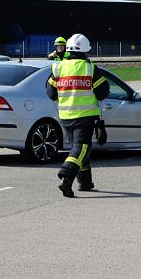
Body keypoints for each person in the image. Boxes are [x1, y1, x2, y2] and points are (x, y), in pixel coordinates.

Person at [46, 33, 110, 197]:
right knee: (82, 147)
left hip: (66, 116)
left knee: (79, 148)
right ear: (85, 51)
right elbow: (103, 92)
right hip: (85, 116)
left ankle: (85, 182)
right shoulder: (89, 68)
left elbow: (51, 92)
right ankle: (66, 177)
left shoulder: (59, 68)